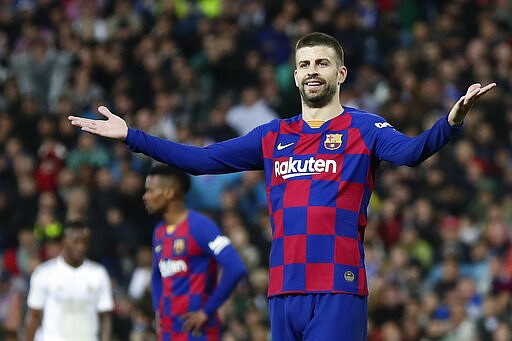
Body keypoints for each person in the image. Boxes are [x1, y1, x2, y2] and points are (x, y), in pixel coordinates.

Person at [69, 32, 496, 340]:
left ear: (340, 72)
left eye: (322, 63)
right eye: (305, 64)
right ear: (294, 76)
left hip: (336, 286)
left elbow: (413, 152)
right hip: (283, 288)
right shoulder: (273, 136)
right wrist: (131, 136)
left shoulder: (364, 128)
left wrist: (451, 120)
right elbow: (200, 161)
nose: (313, 71)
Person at [143, 164, 247, 340]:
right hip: (168, 331)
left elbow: (235, 267)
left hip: (198, 331)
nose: (145, 196)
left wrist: (206, 311)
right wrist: (157, 310)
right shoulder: (159, 231)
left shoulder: (200, 226)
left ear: (169, 192)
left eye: (150, 190)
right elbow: (156, 274)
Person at [24, 221, 114, 341]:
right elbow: (34, 315)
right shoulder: (44, 273)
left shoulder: (98, 274)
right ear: (64, 241)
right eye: (76, 242)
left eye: (85, 242)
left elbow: (105, 317)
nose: (81, 247)